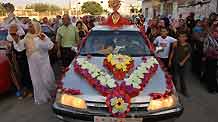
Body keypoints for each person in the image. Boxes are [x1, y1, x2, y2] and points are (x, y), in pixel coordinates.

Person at [15, 21, 55, 104]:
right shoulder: (26, 37)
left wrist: (44, 40)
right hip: (32, 63)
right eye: (29, 27)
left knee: (47, 80)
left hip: (43, 62)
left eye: (31, 26)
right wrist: (16, 40)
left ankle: (52, 93)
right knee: (37, 80)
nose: (29, 28)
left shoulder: (41, 35)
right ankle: (43, 98)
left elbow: (51, 46)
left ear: (36, 27)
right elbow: (20, 47)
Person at [7, 24, 33, 98]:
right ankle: (26, 90)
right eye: (11, 34)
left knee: (28, 76)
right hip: (19, 63)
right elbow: (13, 52)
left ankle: (31, 91)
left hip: (26, 62)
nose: (13, 36)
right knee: (22, 77)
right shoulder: (13, 43)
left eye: (14, 34)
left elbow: (24, 49)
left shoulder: (23, 40)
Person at [169, 32, 192, 97]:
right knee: (175, 76)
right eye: (180, 37)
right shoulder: (175, 44)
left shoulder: (188, 45)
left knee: (183, 77)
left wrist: (183, 62)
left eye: (183, 37)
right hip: (176, 62)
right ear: (178, 38)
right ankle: (174, 90)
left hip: (185, 63)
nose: (181, 38)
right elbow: (172, 52)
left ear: (186, 38)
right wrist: (170, 60)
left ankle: (184, 91)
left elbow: (188, 55)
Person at [203, 25, 218, 94]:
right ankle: (211, 88)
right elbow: (205, 49)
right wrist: (212, 50)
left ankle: (215, 86)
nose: (216, 33)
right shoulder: (208, 39)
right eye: (215, 31)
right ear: (212, 32)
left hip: (216, 58)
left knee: (214, 73)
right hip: (210, 58)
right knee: (211, 73)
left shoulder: (216, 39)